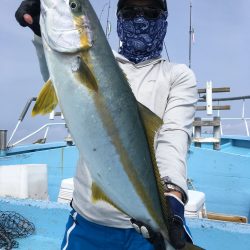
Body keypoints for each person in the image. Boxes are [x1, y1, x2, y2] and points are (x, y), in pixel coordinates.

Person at [15, 0, 197, 249]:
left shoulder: (177, 76)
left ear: (164, 18)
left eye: (151, 12)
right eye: (130, 11)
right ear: (118, 16)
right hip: (89, 221)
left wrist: (172, 199)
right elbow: (60, 80)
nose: (140, 19)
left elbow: (173, 136)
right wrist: (41, 34)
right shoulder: (103, 59)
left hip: (147, 228)